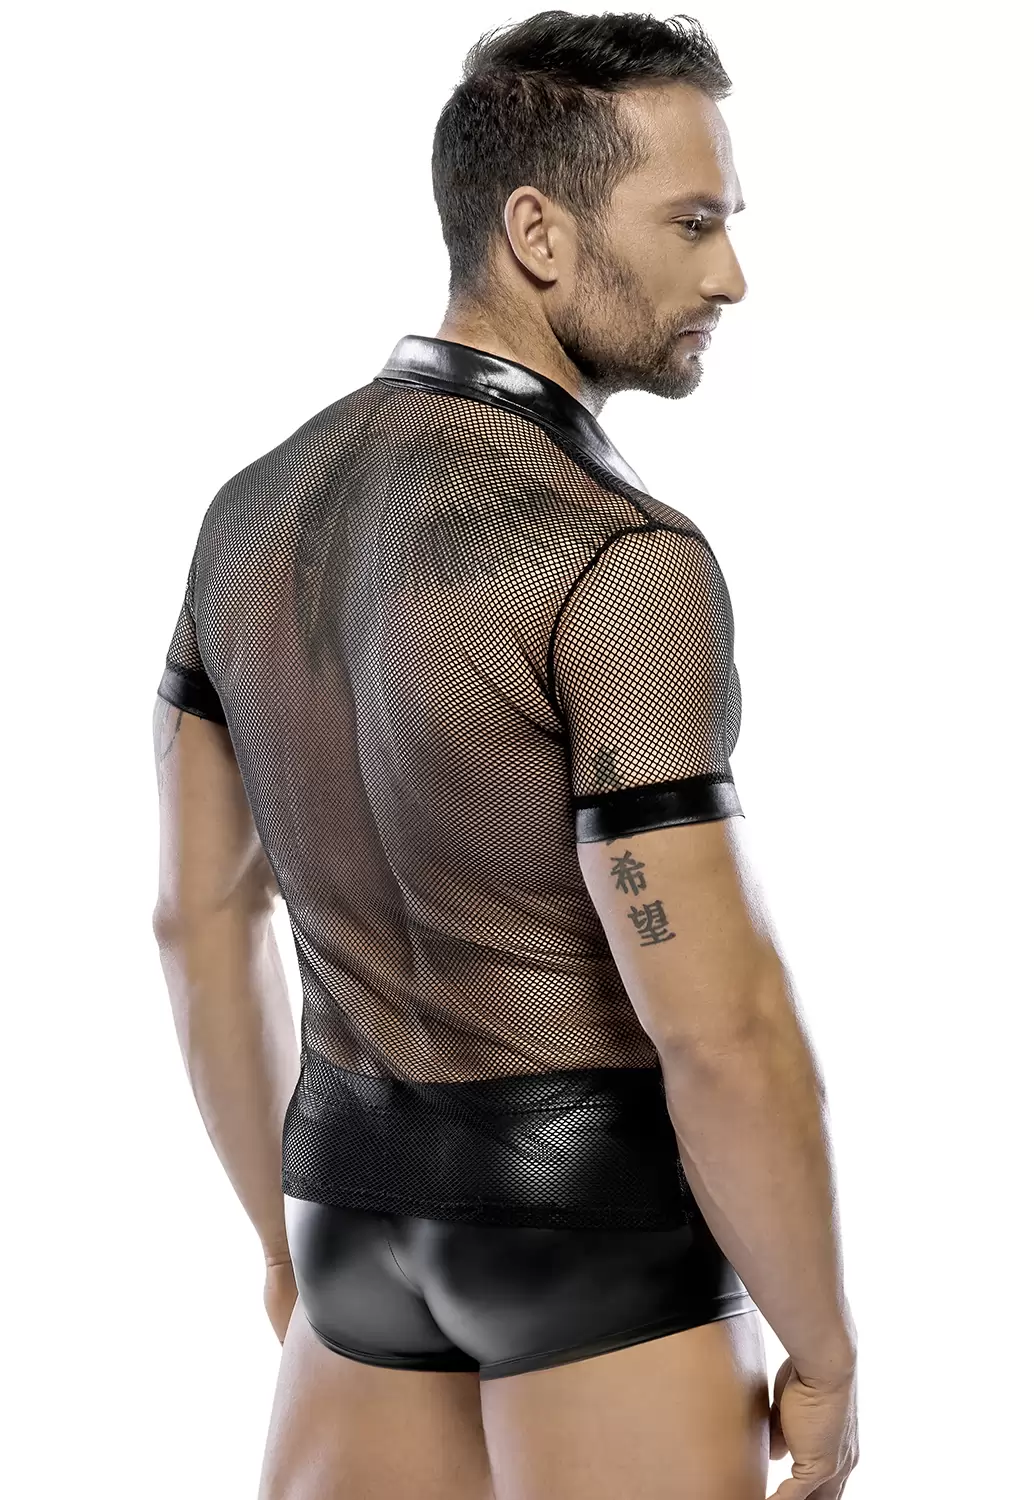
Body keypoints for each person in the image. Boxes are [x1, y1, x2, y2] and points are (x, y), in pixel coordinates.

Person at [151, 11, 858, 1499]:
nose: (729, 275)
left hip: (351, 1221)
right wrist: (823, 1348)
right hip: (593, 1238)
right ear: (537, 232)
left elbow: (197, 920)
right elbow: (721, 1028)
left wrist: (285, 1246)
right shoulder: (619, 555)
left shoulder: (251, 516)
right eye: (691, 223)